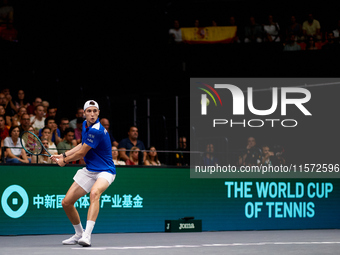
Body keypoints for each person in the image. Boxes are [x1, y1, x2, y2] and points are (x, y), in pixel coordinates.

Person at [51, 100, 115, 246]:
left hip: (106, 171)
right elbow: (82, 145)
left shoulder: (97, 130)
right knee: (66, 203)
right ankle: (78, 233)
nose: (92, 114)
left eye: (95, 111)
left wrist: (65, 160)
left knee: (94, 193)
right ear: (84, 113)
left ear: (98, 113)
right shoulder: (86, 126)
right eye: (89, 111)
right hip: (90, 170)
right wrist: (63, 155)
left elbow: (81, 152)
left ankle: (87, 235)